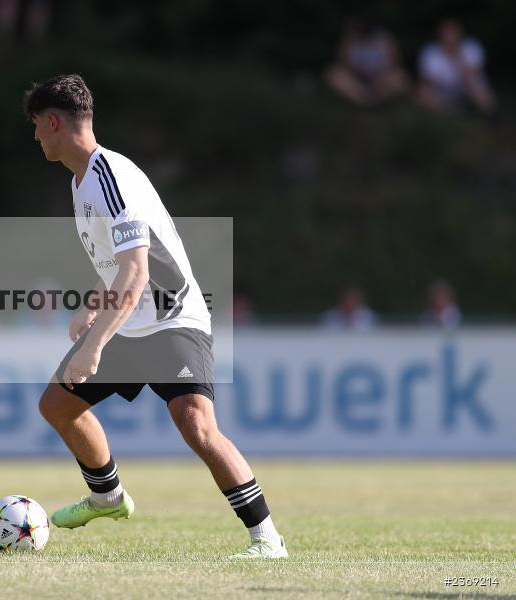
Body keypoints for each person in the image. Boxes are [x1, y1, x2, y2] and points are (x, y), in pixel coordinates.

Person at [23, 74, 287, 559]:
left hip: (173, 319)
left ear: (54, 122)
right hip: (130, 317)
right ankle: (107, 496)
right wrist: (91, 306)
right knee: (57, 406)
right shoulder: (81, 183)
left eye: (37, 126)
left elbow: (138, 272)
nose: (36, 137)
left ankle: (267, 539)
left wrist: (96, 345)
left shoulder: (110, 178)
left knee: (196, 424)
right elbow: (115, 267)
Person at [416, 19, 497, 114]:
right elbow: (426, 78)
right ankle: (449, 116)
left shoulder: (471, 47)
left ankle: (491, 116)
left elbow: (473, 73)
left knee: (477, 86)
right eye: (446, 34)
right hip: (442, 90)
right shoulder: (430, 52)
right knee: (423, 92)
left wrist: (456, 55)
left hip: (466, 88)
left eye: (453, 34)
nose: (450, 37)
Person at [325, 18, 409, 107]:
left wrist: (380, 81)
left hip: (380, 81)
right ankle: (362, 101)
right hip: (356, 81)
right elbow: (343, 64)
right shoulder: (350, 38)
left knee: (400, 78)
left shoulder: (385, 38)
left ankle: (374, 102)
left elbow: (394, 64)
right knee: (334, 74)